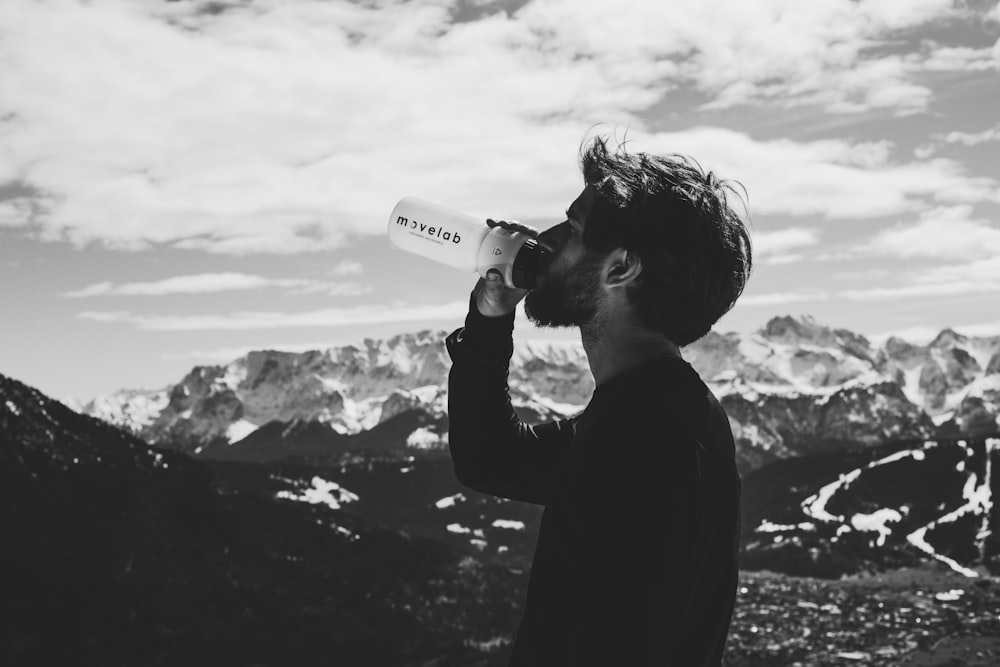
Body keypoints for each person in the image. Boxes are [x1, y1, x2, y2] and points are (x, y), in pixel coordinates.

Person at [445, 135, 752, 666]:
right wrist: (492, 319)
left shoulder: (648, 442)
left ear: (621, 268)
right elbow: (490, 458)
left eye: (573, 228)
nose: (545, 239)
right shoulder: (651, 412)